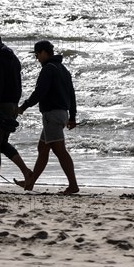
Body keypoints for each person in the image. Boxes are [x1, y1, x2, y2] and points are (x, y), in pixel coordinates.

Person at [17, 41, 79, 195]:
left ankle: (73, 185)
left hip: (52, 114)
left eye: (37, 54)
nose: (37, 58)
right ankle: (30, 182)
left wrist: (24, 106)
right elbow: (72, 94)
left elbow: (40, 92)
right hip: (62, 114)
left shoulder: (48, 69)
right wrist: (72, 116)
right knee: (42, 148)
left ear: (44, 52)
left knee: (60, 151)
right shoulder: (63, 69)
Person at [0, 33, 32, 193]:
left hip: (1, 105)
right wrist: (15, 104)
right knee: (1, 143)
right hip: (12, 104)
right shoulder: (12, 57)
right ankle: (27, 173)